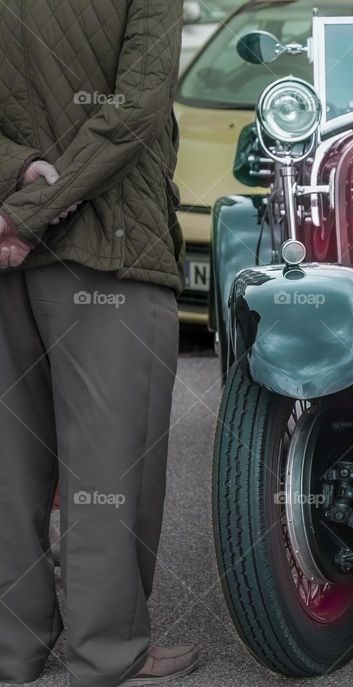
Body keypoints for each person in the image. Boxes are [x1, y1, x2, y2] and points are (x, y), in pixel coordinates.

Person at [0, 1, 198, 685]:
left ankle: (12, 649)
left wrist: (17, 178)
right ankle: (105, 650)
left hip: (5, 252)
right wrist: (35, 212)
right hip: (112, 251)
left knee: (8, 466)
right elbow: (137, 107)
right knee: (111, 470)